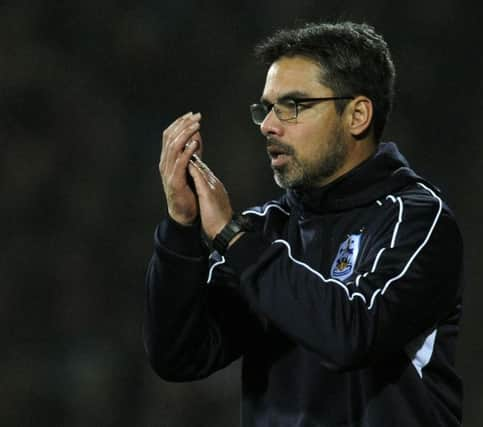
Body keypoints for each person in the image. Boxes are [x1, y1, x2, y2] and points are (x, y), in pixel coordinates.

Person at [144, 21, 464, 426]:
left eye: (293, 106)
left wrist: (235, 239)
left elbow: (353, 336)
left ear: (357, 114)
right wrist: (181, 228)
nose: (268, 125)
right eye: (267, 108)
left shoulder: (416, 220)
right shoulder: (265, 232)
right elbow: (180, 357)